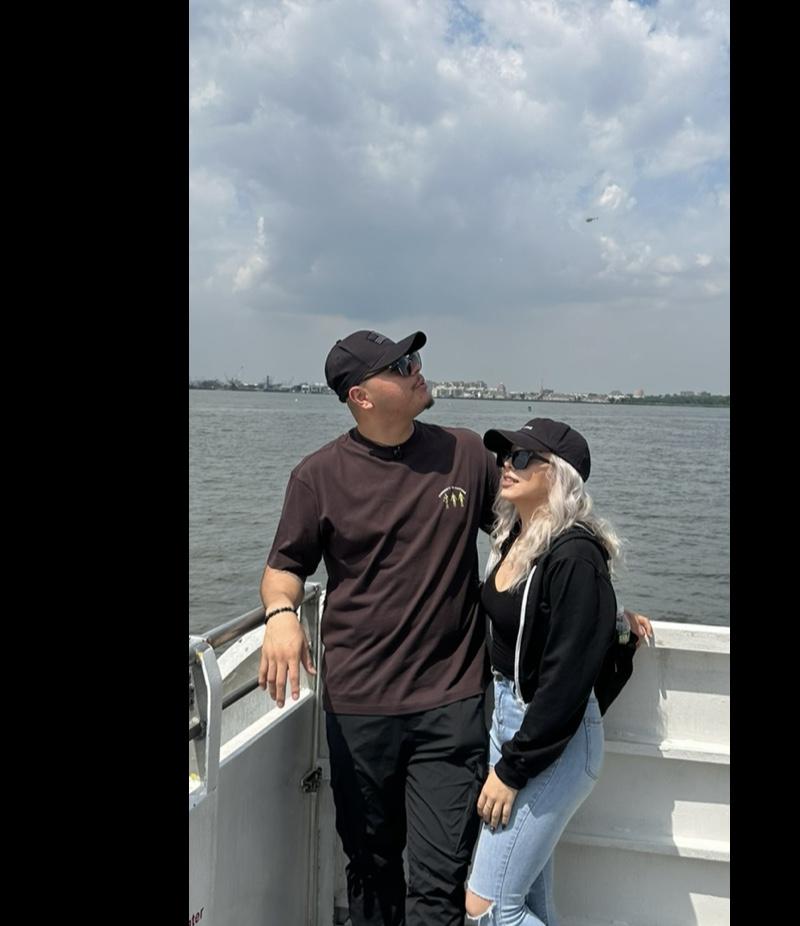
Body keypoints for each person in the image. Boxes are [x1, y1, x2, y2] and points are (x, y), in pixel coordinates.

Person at [257, 329, 500, 926]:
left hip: (451, 702)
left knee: (441, 883)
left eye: (413, 358)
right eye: (400, 365)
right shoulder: (317, 477)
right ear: (361, 397)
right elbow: (284, 569)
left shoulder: (467, 455)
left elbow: (535, 532)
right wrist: (281, 615)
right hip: (359, 707)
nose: (417, 369)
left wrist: (595, 591)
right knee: (371, 870)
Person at [464, 418, 652, 926]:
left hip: (552, 740)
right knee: (527, 900)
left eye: (524, 457)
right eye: (505, 456)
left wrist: (512, 770)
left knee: (488, 907)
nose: (507, 465)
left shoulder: (574, 554)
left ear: (560, 474)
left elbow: (567, 678)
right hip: (510, 725)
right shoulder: (516, 537)